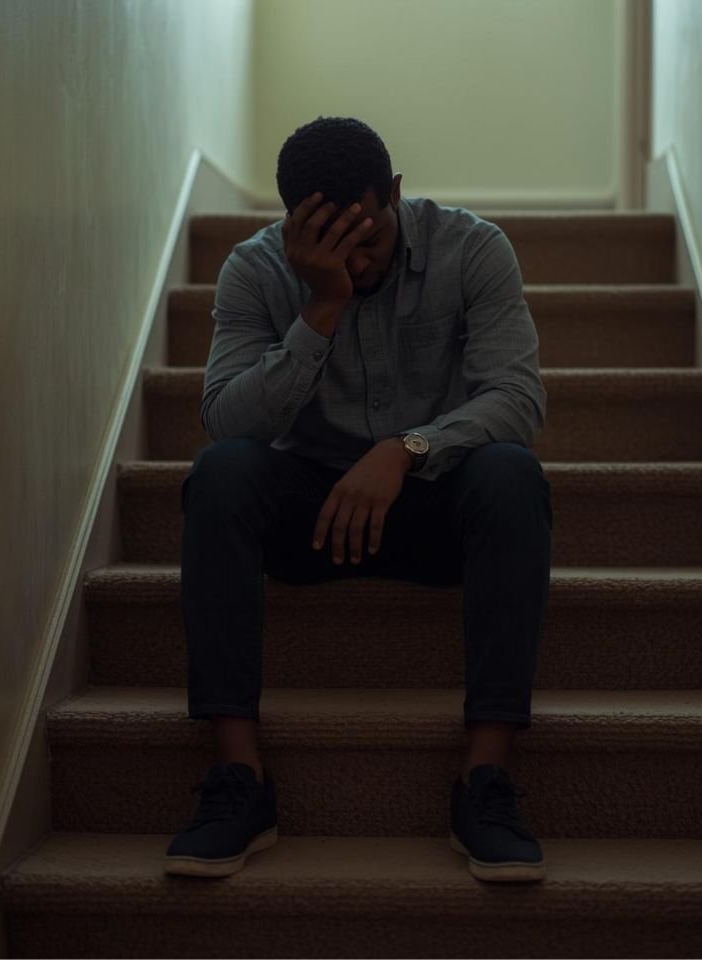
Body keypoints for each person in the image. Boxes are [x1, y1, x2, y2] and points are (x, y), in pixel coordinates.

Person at [164, 116, 552, 883]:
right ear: (291, 224)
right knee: (222, 475)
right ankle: (240, 780)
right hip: (312, 515)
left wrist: (407, 449)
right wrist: (320, 308)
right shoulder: (256, 271)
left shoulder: (472, 248)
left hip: (433, 504)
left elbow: (518, 396)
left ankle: (485, 781)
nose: (361, 258)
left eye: (370, 236)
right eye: (338, 244)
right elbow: (224, 418)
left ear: (397, 193)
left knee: (511, 476)